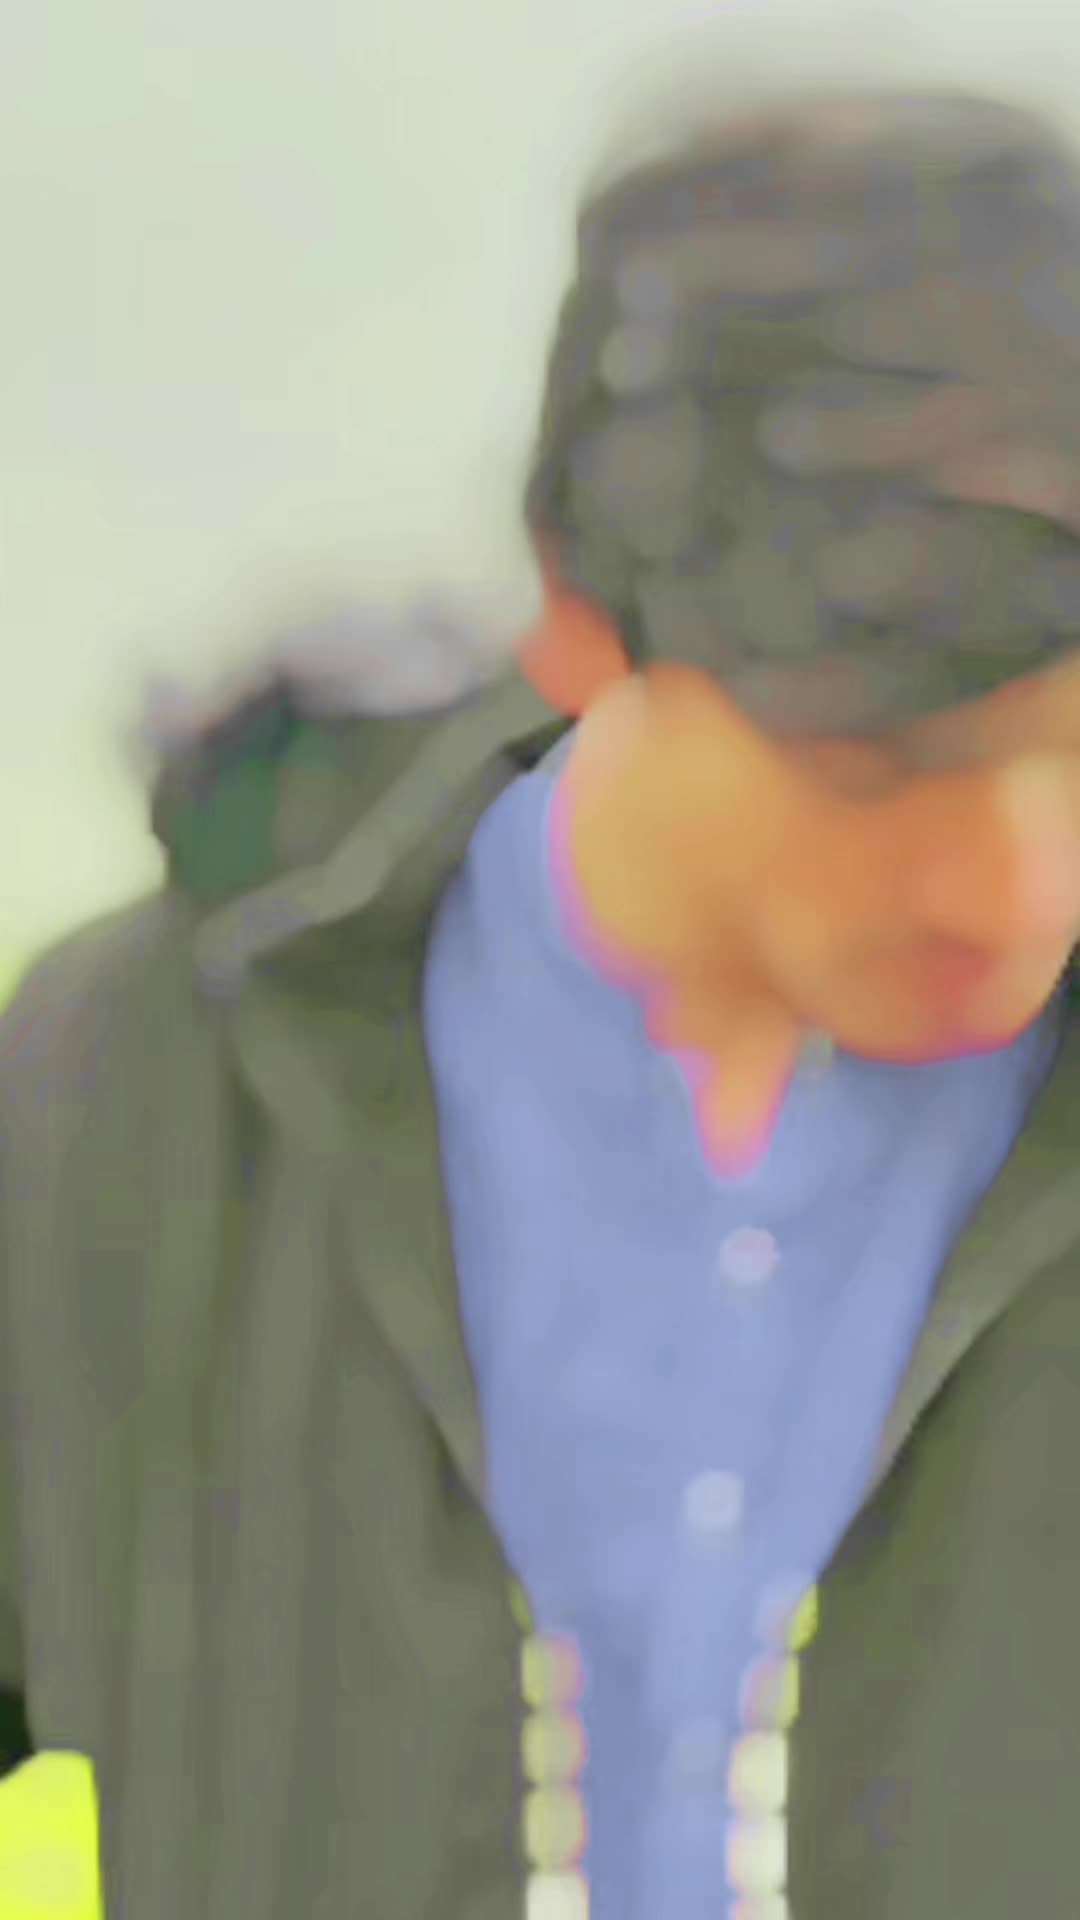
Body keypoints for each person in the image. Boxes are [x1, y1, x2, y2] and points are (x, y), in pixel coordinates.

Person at [5, 85, 1080, 1920]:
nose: (1015, 885)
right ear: (584, 625)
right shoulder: (130, 1088)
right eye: (879, 772)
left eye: (1069, 749)